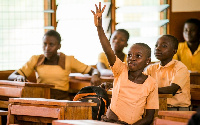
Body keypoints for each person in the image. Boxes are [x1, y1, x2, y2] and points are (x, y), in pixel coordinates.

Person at [91, 3, 159, 125]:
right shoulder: (120, 70)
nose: (132, 59)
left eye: (138, 56)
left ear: (147, 61)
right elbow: (108, 50)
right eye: (129, 55)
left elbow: (149, 118)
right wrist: (99, 28)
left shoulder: (151, 83)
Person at [8, 30, 101, 100]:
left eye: (51, 45)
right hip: (41, 99)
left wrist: (95, 75)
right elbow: (12, 76)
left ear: (59, 46)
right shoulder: (36, 59)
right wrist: (19, 77)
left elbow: (93, 70)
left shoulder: (68, 59)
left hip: (62, 100)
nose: (47, 48)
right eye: (44, 44)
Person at [145, 35, 191, 110]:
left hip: (178, 109)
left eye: (164, 46)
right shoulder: (151, 68)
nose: (158, 48)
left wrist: (149, 89)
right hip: (156, 108)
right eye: (156, 45)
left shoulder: (181, 68)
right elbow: (141, 84)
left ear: (174, 51)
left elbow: (172, 89)